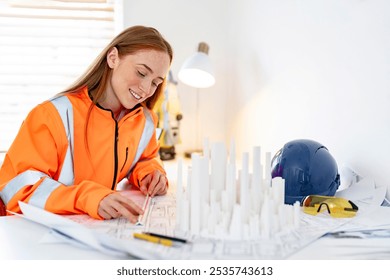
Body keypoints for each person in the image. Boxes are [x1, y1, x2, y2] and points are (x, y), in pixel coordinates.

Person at [0, 25, 173, 223]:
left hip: (91, 232)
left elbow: (144, 159)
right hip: (31, 234)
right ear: (113, 58)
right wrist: (88, 197)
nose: (146, 89)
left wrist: (151, 173)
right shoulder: (52, 116)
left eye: (156, 82)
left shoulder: (144, 120)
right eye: (142, 73)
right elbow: (18, 191)